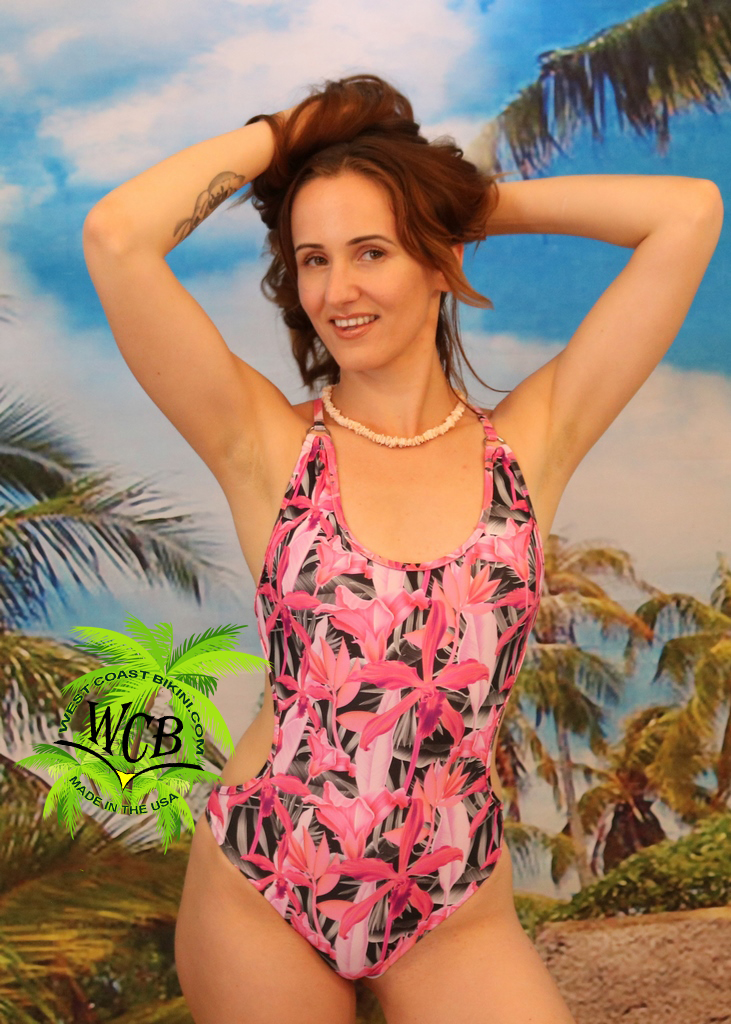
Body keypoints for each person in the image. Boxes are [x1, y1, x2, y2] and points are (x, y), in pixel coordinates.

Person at [83, 73, 722, 1024]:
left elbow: (687, 212)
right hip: (266, 882)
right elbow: (117, 236)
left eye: (371, 251)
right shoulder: (267, 447)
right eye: (312, 259)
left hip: (450, 903)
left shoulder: (529, 446)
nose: (336, 291)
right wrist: (298, 131)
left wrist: (447, 205)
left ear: (437, 259)